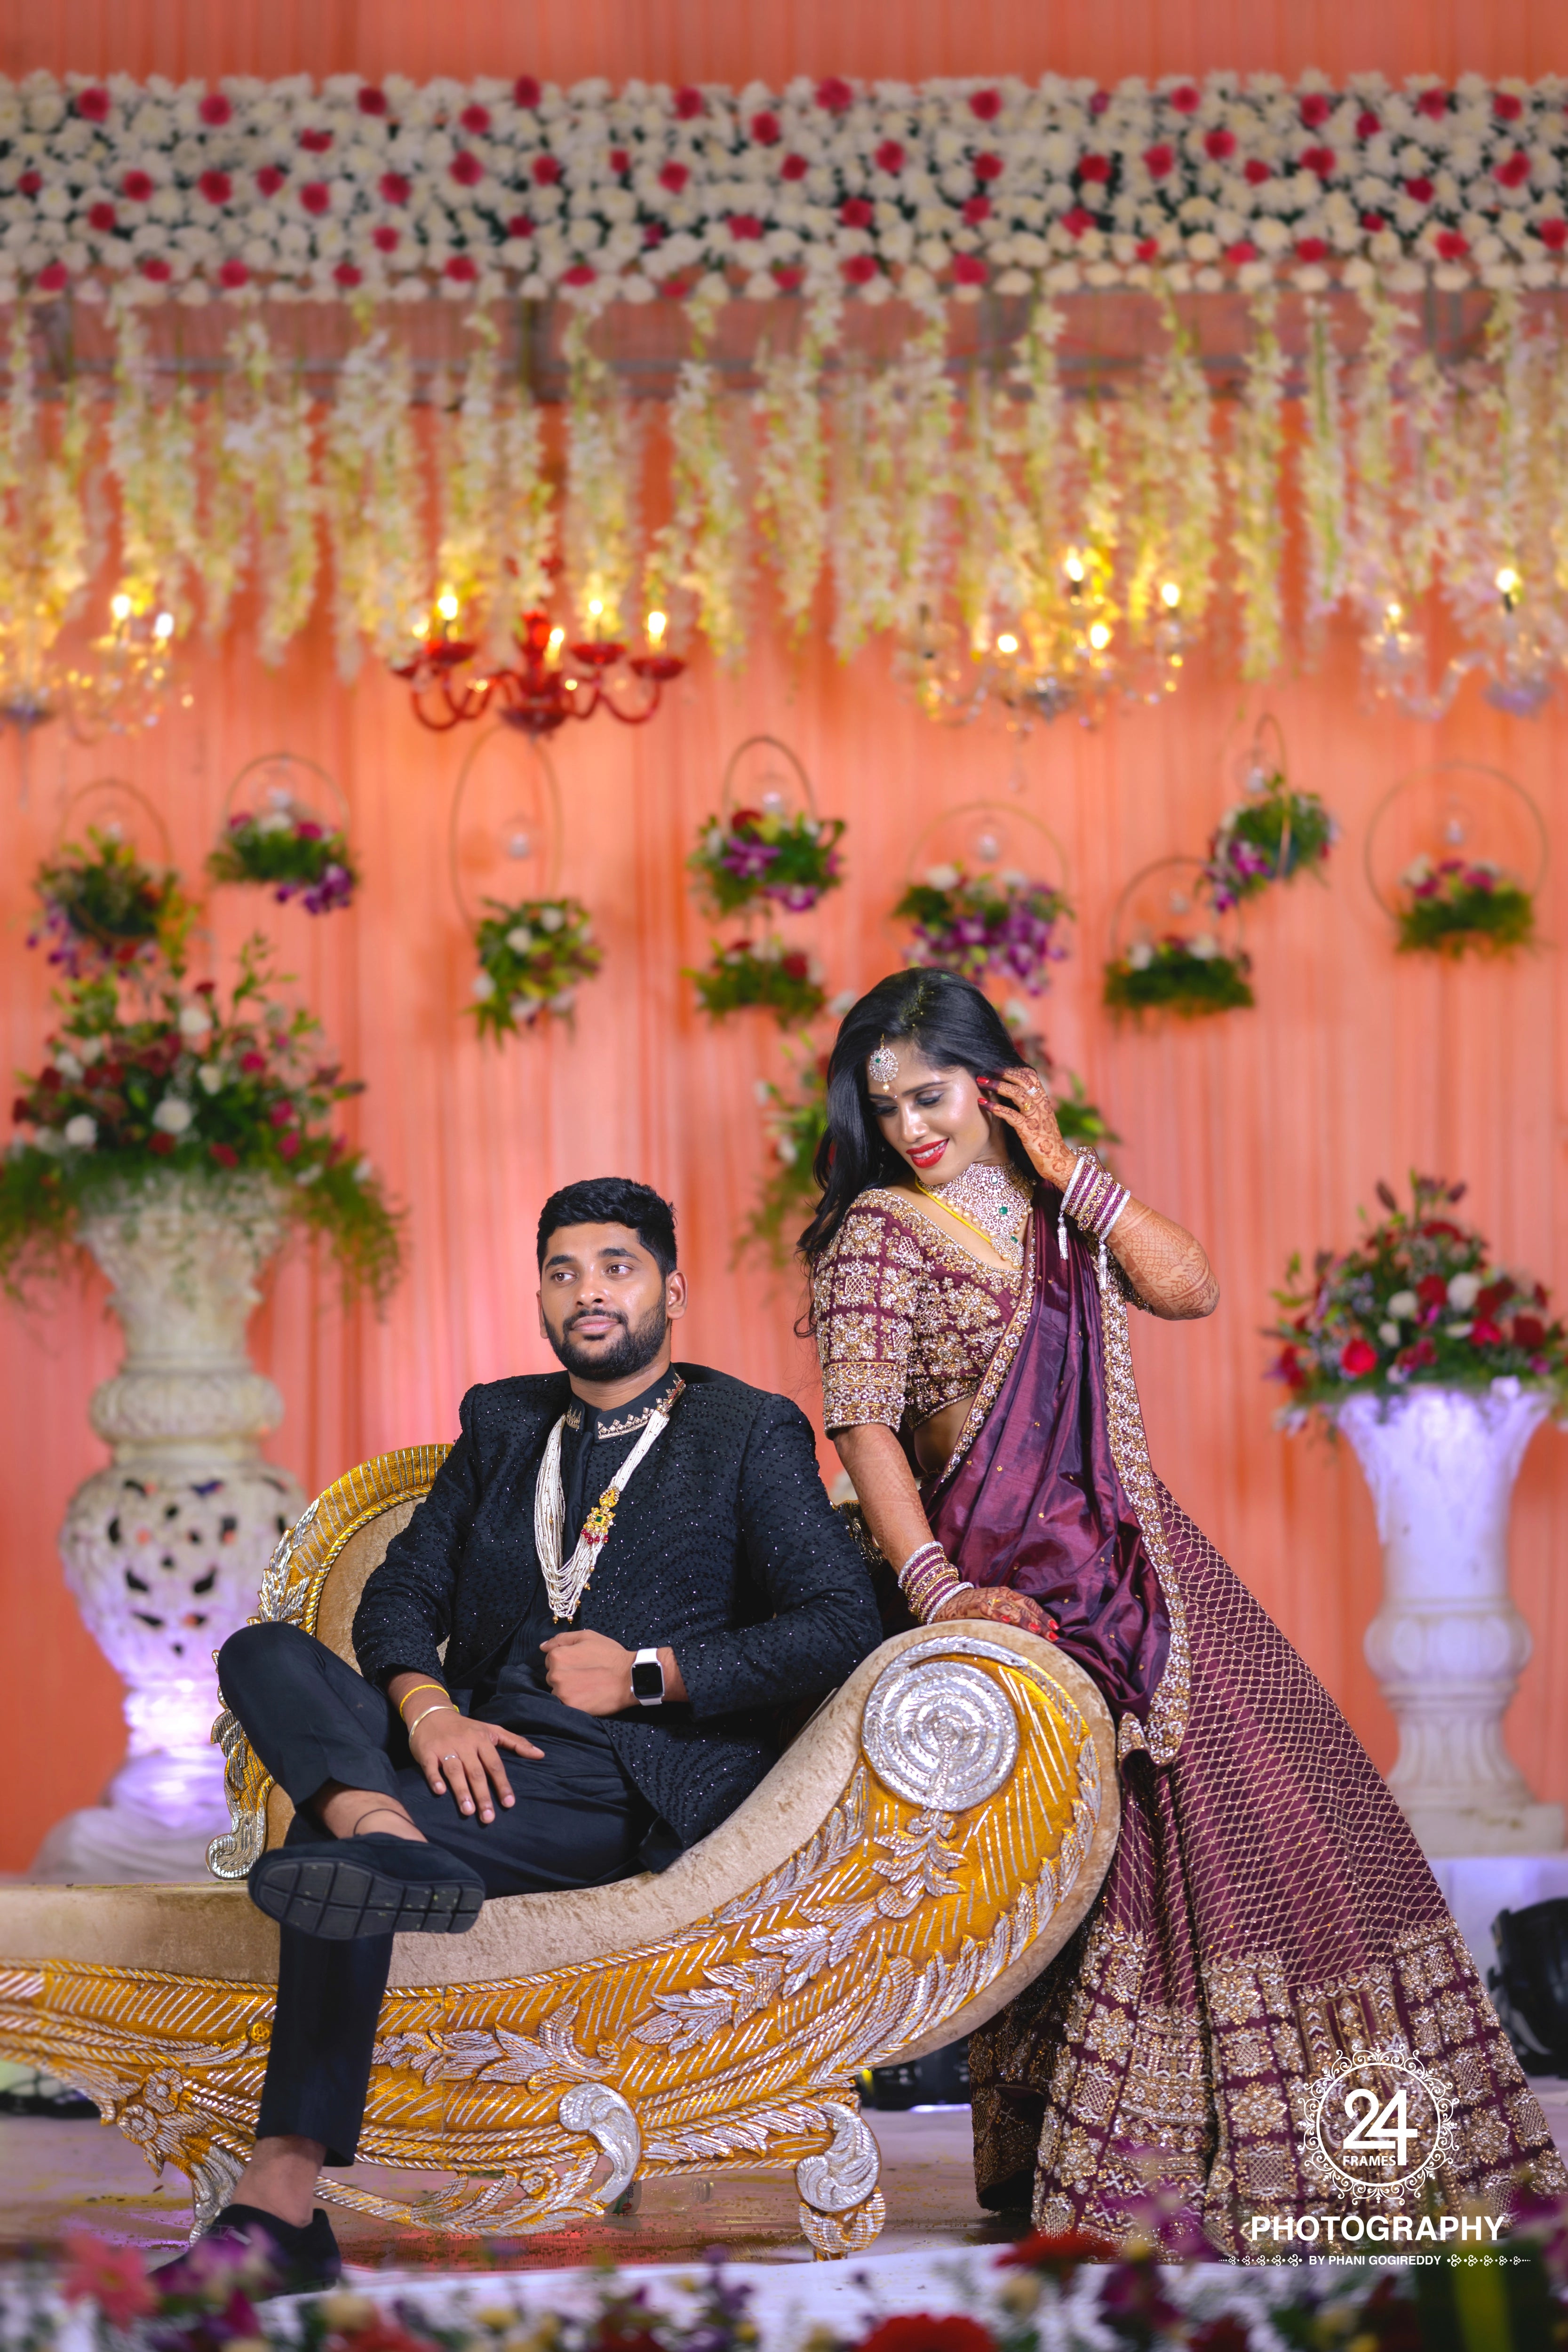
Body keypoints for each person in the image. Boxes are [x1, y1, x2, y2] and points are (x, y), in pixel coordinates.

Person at [803, 968, 1566, 2256]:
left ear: (993, 1084)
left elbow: (1189, 1287)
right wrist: (933, 1588)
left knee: (1308, 1811)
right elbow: (864, 1431)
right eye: (883, 1110)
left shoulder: (1058, 1211)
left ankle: (1348, 2148)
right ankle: (1140, 2157)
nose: (908, 1129)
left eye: (929, 1096)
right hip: (1013, 1577)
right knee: (1147, 1848)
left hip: (1139, 1553)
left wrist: (1069, 1168)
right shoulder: (879, 1233)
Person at [163, 1176, 882, 2292]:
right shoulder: (502, 1422)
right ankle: (381, 1831)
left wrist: (647, 1675)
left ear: (670, 1288)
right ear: (542, 1297)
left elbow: (839, 1622)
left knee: (322, 1871)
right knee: (261, 1652)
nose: (587, 1292)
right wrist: (430, 1710)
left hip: (605, 1773)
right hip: (460, 1749)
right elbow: (397, 1599)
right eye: (562, 1271)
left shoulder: (745, 1431)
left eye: (615, 1266)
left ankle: (280, 2206)